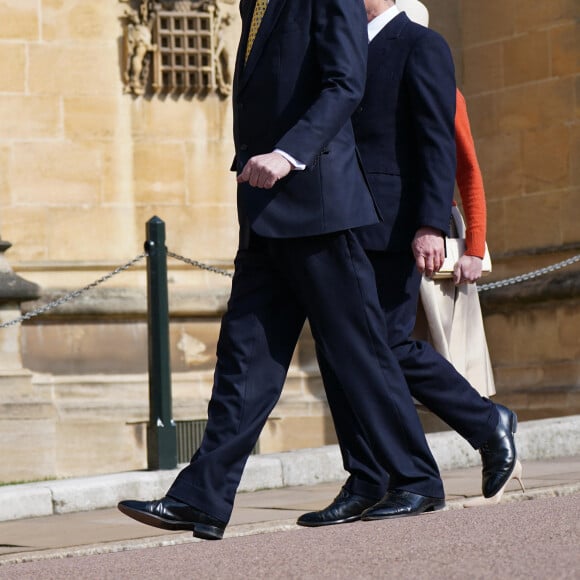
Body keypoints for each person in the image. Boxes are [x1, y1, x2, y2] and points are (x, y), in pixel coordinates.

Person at [117, 0, 448, 541]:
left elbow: (345, 82)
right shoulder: (255, 3)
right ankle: (201, 498)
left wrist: (288, 154)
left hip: (318, 204)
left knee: (359, 349)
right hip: (265, 210)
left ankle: (415, 478)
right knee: (243, 360)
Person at [297, 0, 523, 528]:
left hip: (395, 225)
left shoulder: (423, 45)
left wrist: (431, 225)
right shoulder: (341, 46)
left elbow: (440, 145)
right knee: (339, 350)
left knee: (386, 343)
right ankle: (368, 478)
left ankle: (486, 421)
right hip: (342, 222)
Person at [414, 88, 496, 398]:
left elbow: (468, 170)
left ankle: (487, 422)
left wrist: (474, 249)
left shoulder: (445, 90)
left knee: (456, 361)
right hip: (380, 234)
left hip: (439, 233)